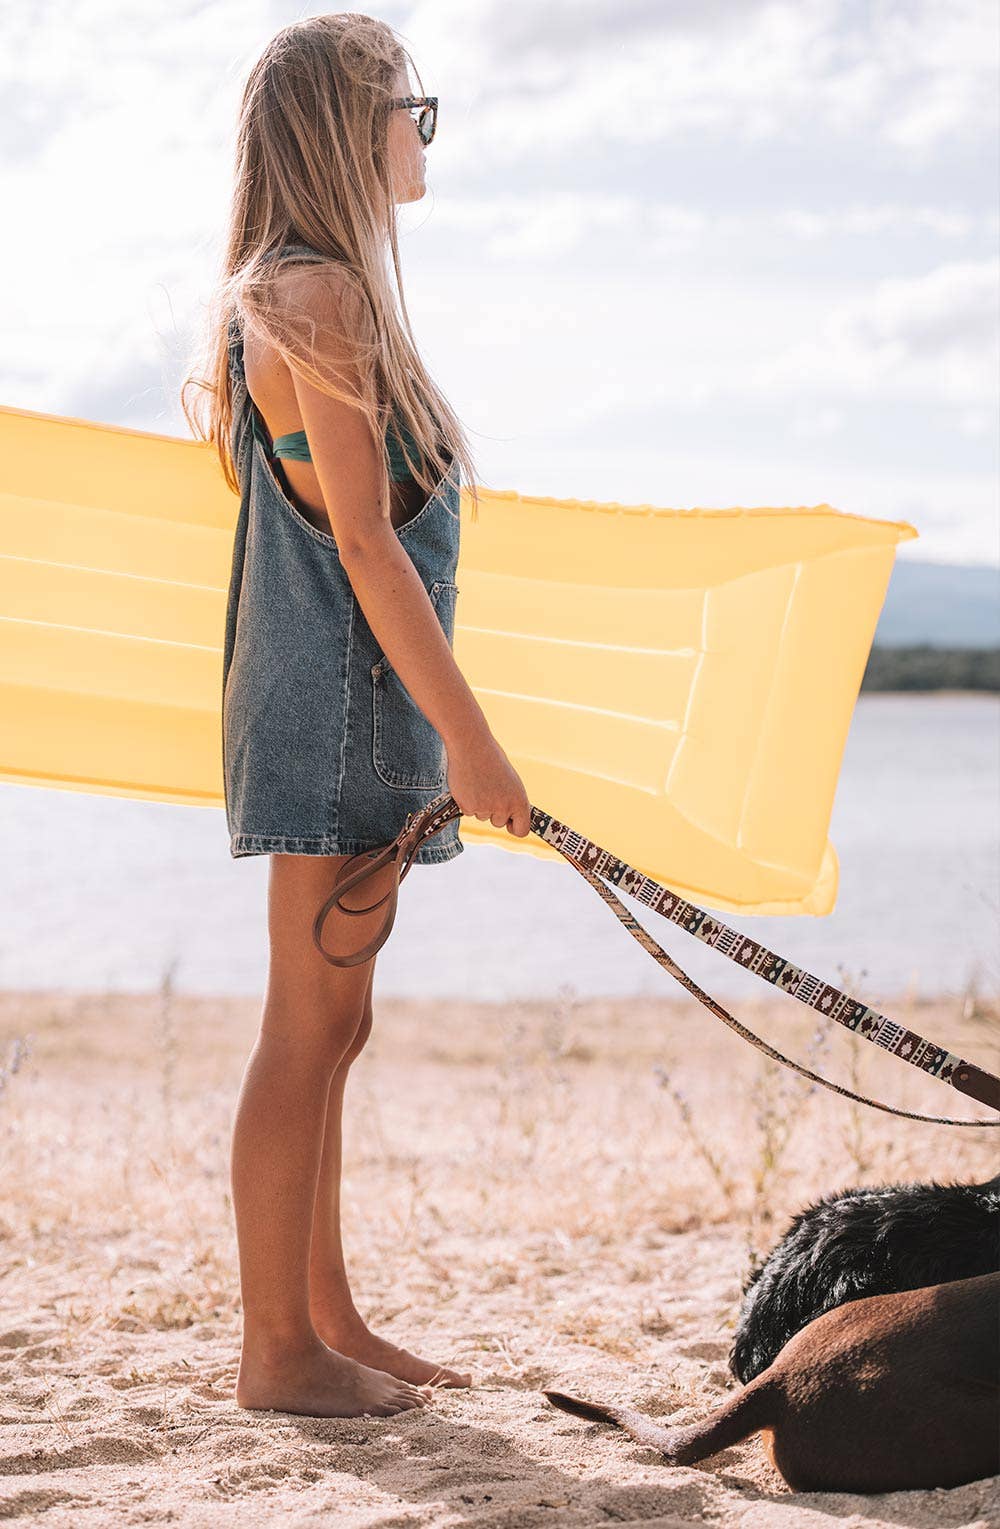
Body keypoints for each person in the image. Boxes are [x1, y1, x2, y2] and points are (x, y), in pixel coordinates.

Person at [180, 13, 531, 1419]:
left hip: (347, 710)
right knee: (304, 1030)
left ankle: (326, 1319)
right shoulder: (312, 296)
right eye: (409, 107)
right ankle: (278, 1352)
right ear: (347, 127)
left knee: (335, 1027)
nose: (421, 133)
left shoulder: (305, 291)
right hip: (337, 714)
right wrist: (477, 742)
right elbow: (372, 551)